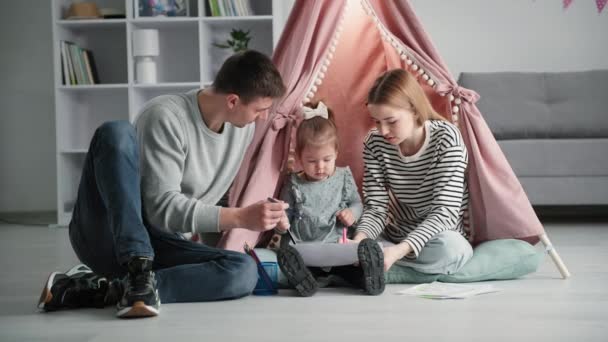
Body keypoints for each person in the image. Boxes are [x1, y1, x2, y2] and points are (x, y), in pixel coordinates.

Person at [38, 50, 289, 318]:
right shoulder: (165, 116)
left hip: (163, 242)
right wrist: (240, 217)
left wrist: (226, 250)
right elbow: (161, 209)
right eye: (260, 110)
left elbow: (214, 200)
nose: (263, 117)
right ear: (233, 101)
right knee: (116, 132)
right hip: (111, 234)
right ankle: (136, 268)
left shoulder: (241, 129)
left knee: (242, 271)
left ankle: (114, 289)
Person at [353, 68, 473, 276]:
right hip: (396, 233)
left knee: (453, 250)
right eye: (377, 121)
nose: (383, 131)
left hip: (438, 235)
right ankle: (374, 263)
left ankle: (377, 268)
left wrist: (399, 252)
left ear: (415, 110)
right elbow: (376, 207)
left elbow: (445, 213)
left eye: (391, 121)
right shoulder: (375, 143)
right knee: (352, 237)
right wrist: (358, 242)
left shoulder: (446, 139)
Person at [271, 101, 385, 297]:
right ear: (299, 157)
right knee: (291, 258)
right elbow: (285, 215)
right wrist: (281, 224)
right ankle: (304, 279)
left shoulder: (343, 176)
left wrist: (352, 213)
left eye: (327, 159)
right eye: (312, 161)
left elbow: (357, 203)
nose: (320, 167)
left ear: (336, 154)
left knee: (351, 267)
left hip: (336, 246)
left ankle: (368, 275)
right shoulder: (293, 182)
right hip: (304, 247)